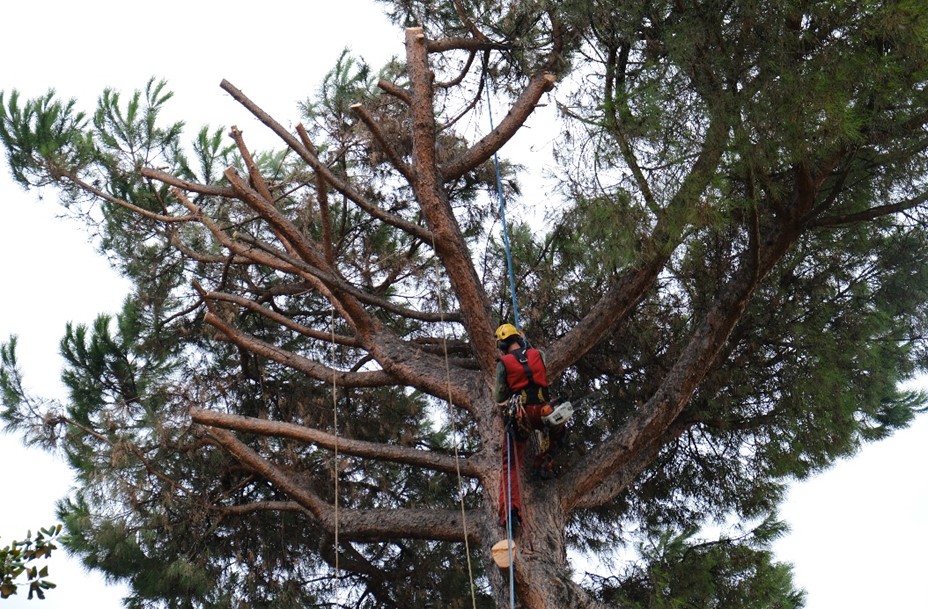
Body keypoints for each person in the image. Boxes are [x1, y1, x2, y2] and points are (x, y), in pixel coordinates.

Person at [494, 323, 566, 530]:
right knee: (558, 432)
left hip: (522, 414)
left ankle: (510, 514)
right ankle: (543, 462)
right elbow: (535, 361)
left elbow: (499, 396)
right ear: (519, 338)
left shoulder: (504, 363)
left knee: (510, 464)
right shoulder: (538, 354)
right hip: (544, 410)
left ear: (501, 345)